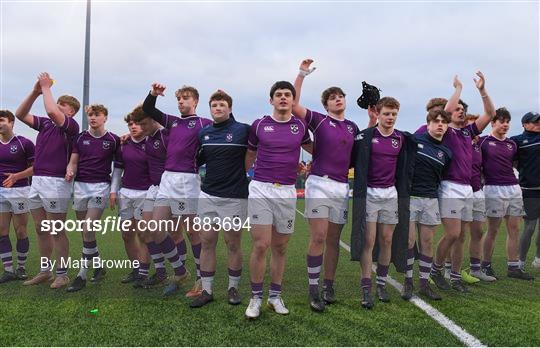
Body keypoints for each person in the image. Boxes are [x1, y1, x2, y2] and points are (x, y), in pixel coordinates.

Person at [291, 59, 362, 312]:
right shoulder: (319, 120)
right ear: (326, 104)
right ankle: (313, 288)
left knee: (334, 240)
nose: (338, 99)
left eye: (340, 96)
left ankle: (328, 285)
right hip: (320, 183)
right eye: (332, 97)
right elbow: (293, 104)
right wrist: (301, 75)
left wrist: (374, 119)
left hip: (342, 187)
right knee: (319, 236)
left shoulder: (354, 127)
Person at [244, 81, 312, 319]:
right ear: (270, 100)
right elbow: (250, 154)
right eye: (278, 95)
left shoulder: (301, 126)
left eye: (287, 95)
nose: (283, 98)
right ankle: (255, 298)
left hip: (287, 191)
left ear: (293, 101)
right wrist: (240, 179)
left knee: (280, 247)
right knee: (261, 244)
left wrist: (316, 166)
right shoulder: (259, 125)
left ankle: (274, 296)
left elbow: (315, 149)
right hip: (261, 189)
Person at [427, 72, 495, 293]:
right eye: (458, 109)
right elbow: (446, 111)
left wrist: (482, 90)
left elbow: (490, 113)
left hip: (468, 188)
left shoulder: (468, 132)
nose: (461, 111)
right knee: (453, 233)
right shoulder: (445, 131)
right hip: (450, 186)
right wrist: (458, 88)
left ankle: (455, 276)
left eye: (463, 110)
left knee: (461, 236)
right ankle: (436, 270)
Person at [143, 83, 212, 297]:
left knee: (192, 232)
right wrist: (153, 94)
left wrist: (197, 160)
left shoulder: (204, 123)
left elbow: (214, 141)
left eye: (186, 98)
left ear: (195, 102)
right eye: (179, 99)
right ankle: (180, 270)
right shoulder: (172, 122)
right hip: (167, 180)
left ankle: (201, 277)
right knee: (155, 228)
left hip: (187, 181)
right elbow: (149, 110)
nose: (181, 101)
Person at [15, 72, 80, 287]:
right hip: (38, 181)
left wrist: (45, 87)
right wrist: (35, 92)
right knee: (41, 228)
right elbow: (20, 113)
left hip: (55, 183)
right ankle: (45, 271)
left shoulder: (71, 126)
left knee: (56, 229)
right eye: (58, 103)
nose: (58, 106)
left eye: (64, 105)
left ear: (72, 111)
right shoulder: (45, 124)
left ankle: (62, 274)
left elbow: (51, 109)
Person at [190, 90, 250, 308]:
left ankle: (232, 288)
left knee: (232, 243)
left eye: (222, 104)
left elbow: (264, 147)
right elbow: (195, 158)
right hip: (208, 195)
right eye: (214, 105)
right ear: (210, 109)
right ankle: (206, 290)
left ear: (230, 108)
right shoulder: (204, 133)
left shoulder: (243, 130)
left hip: (234, 197)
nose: (218, 108)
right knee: (207, 242)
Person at [66, 104, 121, 292]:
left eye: (97, 115)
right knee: (86, 232)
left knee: (88, 227)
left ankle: (81, 274)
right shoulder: (80, 137)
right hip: (80, 187)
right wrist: (69, 170)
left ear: (105, 117)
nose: (92, 118)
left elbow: (117, 169)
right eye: (90, 115)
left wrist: (113, 190)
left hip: (100, 187)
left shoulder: (113, 140)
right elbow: (73, 161)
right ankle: (99, 266)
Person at [402, 109, 452, 301]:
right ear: (428, 123)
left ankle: (423, 284)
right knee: (408, 241)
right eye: (436, 121)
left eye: (444, 122)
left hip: (431, 200)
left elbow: (442, 178)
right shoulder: (414, 140)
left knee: (427, 243)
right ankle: (408, 281)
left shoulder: (446, 152)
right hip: (411, 198)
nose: (440, 124)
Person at [480, 108, 534, 280]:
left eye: (507, 122)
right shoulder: (483, 142)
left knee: (515, 229)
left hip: (514, 189)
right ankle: (485, 265)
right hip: (493, 189)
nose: (505, 125)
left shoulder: (512, 144)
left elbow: (517, 164)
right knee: (493, 229)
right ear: (492, 122)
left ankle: (513, 267)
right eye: (501, 121)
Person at [116, 112, 153, 287]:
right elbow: (117, 170)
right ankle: (136, 268)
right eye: (130, 124)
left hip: (145, 193)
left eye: (137, 123)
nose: (133, 126)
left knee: (143, 234)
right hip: (125, 194)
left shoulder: (152, 142)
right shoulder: (123, 144)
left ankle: (144, 271)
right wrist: (113, 191)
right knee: (126, 235)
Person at [0, 110, 34, 283]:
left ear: (12, 122)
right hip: (0, 192)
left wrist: (16, 177)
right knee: (1, 231)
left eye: (2, 120)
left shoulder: (24, 143)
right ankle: (8, 270)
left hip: (20, 191)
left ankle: (21, 267)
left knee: (20, 230)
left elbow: (35, 167)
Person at [511, 112, 540, 270]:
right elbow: (510, 160)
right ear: (524, 124)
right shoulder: (517, 141)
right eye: (534, 122)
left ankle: (538, 259)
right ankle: (520, 262)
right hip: (529, 190)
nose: (538, 124)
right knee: (529, 228)